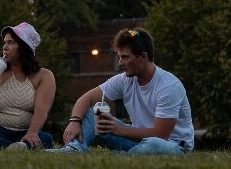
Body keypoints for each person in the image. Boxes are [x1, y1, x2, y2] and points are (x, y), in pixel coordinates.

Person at [49, 27, 194, 155]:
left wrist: (120, 130)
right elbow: (86, 98)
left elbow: (160, 134)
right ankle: (75, 148)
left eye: (125, 57)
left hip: (171, 146)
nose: (120, 63)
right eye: (119, 57)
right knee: (93, 111)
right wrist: (75, 121)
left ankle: (125, 157)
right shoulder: (125, 79)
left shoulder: (168, 86)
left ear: (143, 56)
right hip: (138, 141)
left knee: (153, 144)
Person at [0, 22, 56, 150]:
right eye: (4, 43)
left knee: (46, 138)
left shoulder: (44, 75)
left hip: (26, 131)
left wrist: (32, 133)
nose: (5, 47)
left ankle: (16, 147)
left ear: (24, 47)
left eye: (11, 43)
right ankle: (18, 148)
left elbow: (41, 110)